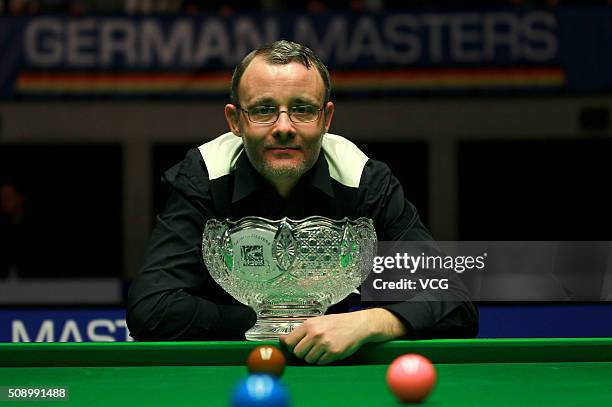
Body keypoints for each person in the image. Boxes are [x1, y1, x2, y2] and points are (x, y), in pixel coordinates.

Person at [127, 40, 477, 364]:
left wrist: (370, 323)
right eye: (264, 110)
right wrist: (274, 324)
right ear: (235, 120)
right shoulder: (204, 176)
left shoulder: (363, 179)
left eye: (302, 110)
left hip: (341, 375)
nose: (283, 127)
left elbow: (454, 300)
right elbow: (152, 309)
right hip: (233, 371)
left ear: (326, 119)